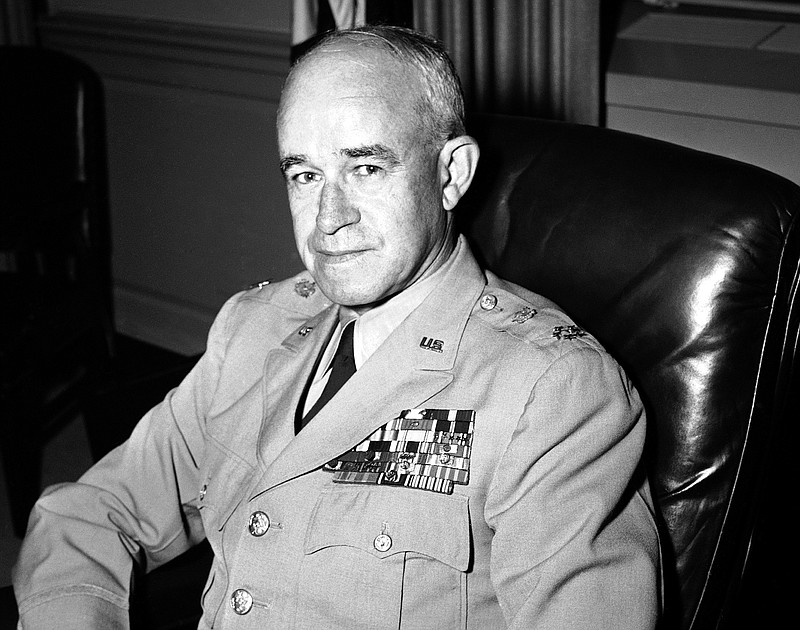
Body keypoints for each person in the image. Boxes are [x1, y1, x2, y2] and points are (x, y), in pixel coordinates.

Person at [14, 25, 660, 629]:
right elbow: (89, 512)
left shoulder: (552, 392)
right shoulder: (258, 327)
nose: (328, 219)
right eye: (304, 175)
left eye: (366, 168)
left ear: (450, 174)